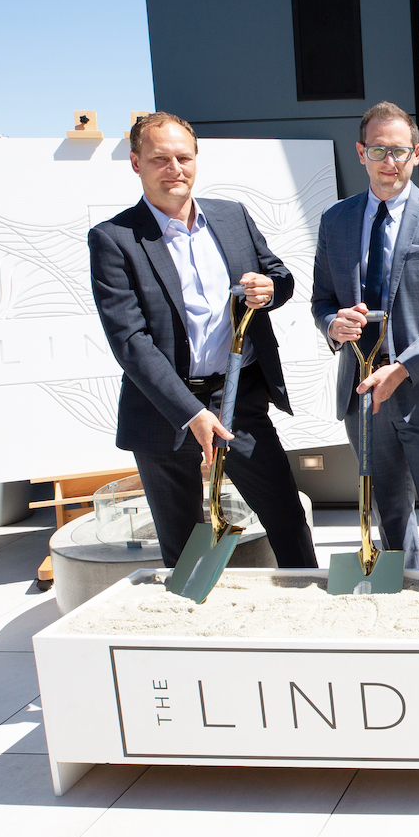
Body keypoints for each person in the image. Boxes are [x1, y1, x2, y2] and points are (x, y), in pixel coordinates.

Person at [89, 111, 317, 570]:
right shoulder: (114, 239)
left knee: (286, 518)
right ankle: (196, 630)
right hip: (164, 410)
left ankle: (311, 615)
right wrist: (191, 414)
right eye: (159, 159)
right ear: (136, 163)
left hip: (239, 400)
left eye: (183, 157)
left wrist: (271, 290)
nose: (175, 169)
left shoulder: (231, 217)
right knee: (183, 543)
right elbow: (130, 341)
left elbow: (280, 277)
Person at [310, 101, 419, 571]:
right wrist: (332, 325)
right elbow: (322, 300)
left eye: (399, 151)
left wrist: (402, 370)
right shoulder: (335, 220)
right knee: (390, 515)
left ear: (417, 153)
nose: (389, 161)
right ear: (360, 152)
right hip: (362, 394)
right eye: (378, 150)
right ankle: (404, 604)